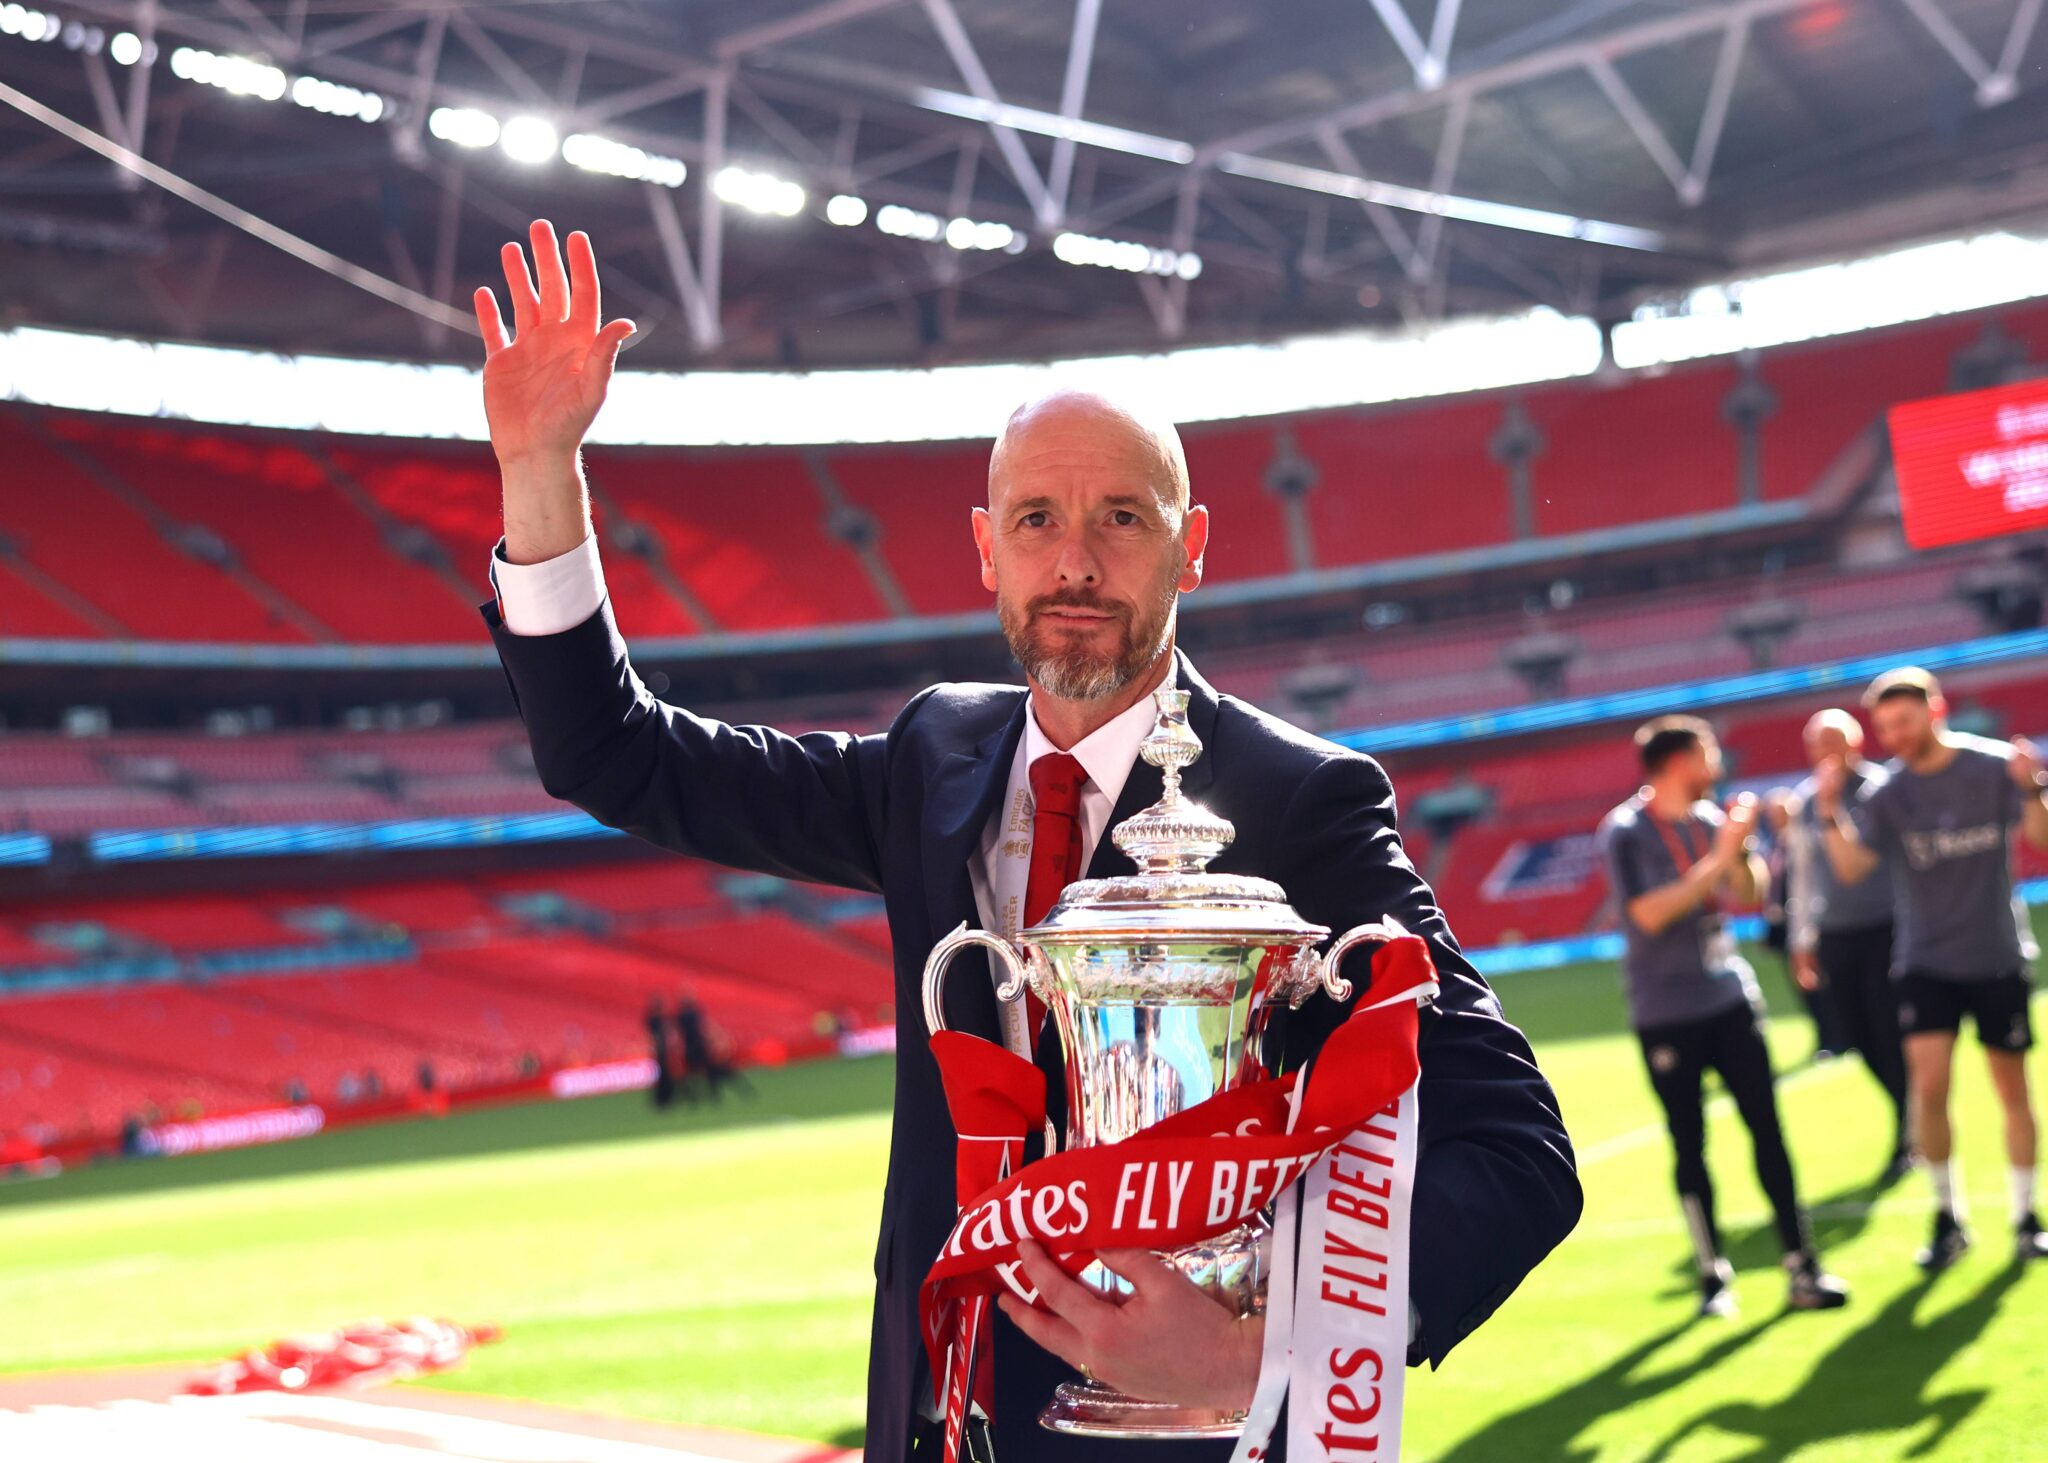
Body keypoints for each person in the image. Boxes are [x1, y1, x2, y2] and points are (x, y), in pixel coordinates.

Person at [472, 220, 1581, 1461]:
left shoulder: (1299, 800)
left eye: (1120, 518)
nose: (1074, 561)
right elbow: (616, 754)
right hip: (934, 1417)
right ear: (985, 549)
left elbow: (1518, 1152)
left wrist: (1273, 1348)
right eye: (1038, 519)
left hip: (1178, 1436)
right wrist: (538, 468)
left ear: (1191, 545)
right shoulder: (931, 760)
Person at [1597, 715, 1848, 1319]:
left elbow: (1751, 893)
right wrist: (1718, 858)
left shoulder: (1711, 820)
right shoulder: (1627, 830)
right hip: (1666, 1011)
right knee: (1690, 1142)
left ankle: (1801, 1265)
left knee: (1768, 1129)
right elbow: (1650, 914)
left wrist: (1740, 850)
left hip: (1730, 999)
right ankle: (1713, 1274)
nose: (1717, 761)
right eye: (1707, 751)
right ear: (1680, 760)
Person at [1815, 667, 2048, 1268]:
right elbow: (1851, 869)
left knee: (2011, 1092)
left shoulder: (1993, 765)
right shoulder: (1886, 794)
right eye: (1884, 725)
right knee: (1929, 1089)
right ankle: (1948, 1216)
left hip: (1997, 955)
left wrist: (2031, 789)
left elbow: (2041, 839)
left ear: (1935, 709)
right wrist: (1827, 813)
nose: (1893, 734)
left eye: (1904, 720)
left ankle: (2025, 1216)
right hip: (1924, 962)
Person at [1783, 709, 1910, 1182]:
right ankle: (1906, 1106)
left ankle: (1906, 1125)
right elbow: (1802, 873)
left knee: (1888, 1029)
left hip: (1886, 927)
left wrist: (1833, 806)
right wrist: (1802, 940)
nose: (1825, 754)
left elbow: (1878, 861)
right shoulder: (1803, 801)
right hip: (1836, 934)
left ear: (1856, 744)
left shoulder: (1880, 790)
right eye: (1817, 744)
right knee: (1854, 1034)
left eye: (1833, 743)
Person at [645, 995, 676, 1109]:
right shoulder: (655, 1020)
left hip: (662, 1051)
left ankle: (664, 1099)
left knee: (664, 1075)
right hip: (661, 1051)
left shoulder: (658, 1019)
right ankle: (663, 1099)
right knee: (663, 1076)